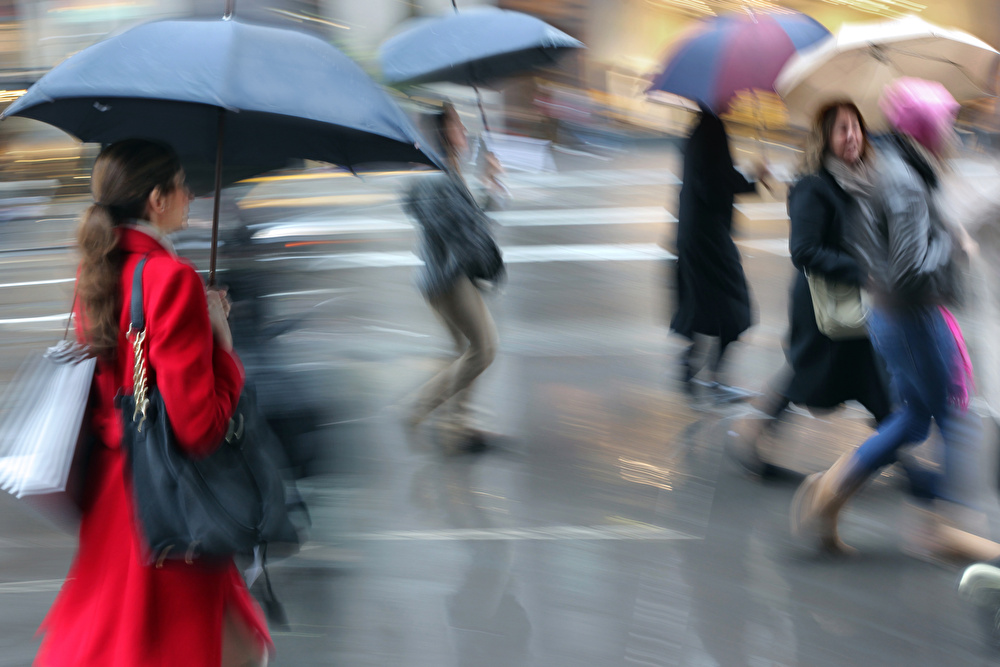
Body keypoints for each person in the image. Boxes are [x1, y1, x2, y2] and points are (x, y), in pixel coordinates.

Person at [36, 139, 271, 666]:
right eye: (183, 185)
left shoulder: (93, 270)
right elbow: (198, 428)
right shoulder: (173, 280)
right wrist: (224, 350)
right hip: (169, 506)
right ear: (157, 200)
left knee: (122, 639)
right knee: (208, 646)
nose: (192, 195)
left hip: (115, 499)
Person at [790, 79, 999, 560]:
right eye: (946, 124)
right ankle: (948, 525)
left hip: (897, 316)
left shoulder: (905, 170)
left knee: (913, 419)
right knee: (954, 415)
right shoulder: (905, 179)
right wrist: (955, 245)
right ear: (927, 128)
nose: (953, 133)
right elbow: (907, 270)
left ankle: (830, 492)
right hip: (911, 316)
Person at [728, 102, 893, 476]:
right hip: (821, 303)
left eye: (856, 127)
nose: (852, 136)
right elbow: (804, 250)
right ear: (825, 138)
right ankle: (750, 432)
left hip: (850, 298)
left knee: (866, 374)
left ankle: (896, 442)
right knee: (811, 372)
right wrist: (860, 270)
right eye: (842, 129)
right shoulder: (814, 186)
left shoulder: (860, 178)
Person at [404, 103, 504, 453]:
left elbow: (473, 223)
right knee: (484, 349)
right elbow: (470, 231)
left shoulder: (448, 172)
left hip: (445, 278)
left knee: (463, 352)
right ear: (444, 133)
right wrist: (487, 184)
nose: (465, 134)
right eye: (459, 127)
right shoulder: (438, 179)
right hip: (449, 280)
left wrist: (488, 185)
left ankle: (456, 428)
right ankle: (417, 409)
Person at [671, 101, 767, 404]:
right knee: (736, 308)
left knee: (705, 304)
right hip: (708, 238)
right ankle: (714, 380)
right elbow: (713, 187)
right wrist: (752, 176)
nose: (735, 99)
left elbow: (712, 179)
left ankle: (691, 366)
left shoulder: (700, 129)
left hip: (697, 236)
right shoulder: (712, 130)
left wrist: (749, 178)